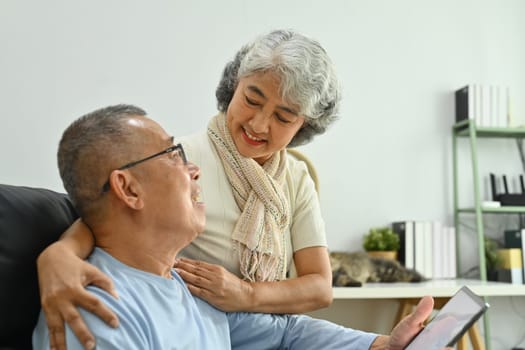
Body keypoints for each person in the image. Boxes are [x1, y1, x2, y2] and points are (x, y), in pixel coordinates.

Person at [33, 104, 438, 349]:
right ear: (128, 188)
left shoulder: (185, 286)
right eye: (173, 155)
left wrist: (380, 345)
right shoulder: (95, 310)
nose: (192, 168)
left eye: (285, 116)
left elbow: (284, 336)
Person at [37, 29, 340, 348]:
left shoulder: (295, 176)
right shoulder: (179, 161)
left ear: (304, 125)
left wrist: (245, 294)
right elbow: (105, 216)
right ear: (233, 87)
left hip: (256, 329)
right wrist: (58, 255)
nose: (259, 124)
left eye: (283, 117)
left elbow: (319, 287)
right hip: (195, 326)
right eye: (251, 100)